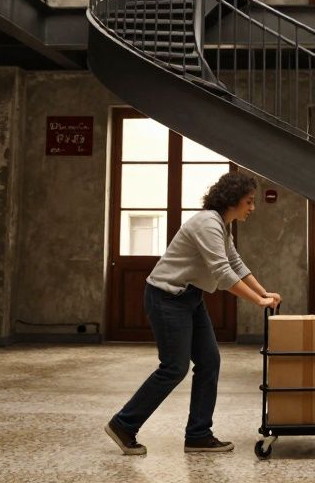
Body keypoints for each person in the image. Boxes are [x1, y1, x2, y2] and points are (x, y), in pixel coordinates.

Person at [105, 171, 280, 456]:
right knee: (174, 367)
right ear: (233, 200)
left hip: (189, 297)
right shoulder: (207, 223)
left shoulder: (222, 225)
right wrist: (257, 302)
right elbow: (223, 273)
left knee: (209, 361)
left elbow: (235, 261)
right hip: (166, 297)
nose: (252, 208)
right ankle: (124, 424)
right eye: (248, 202)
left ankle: (198, 435)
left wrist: (263, 293)